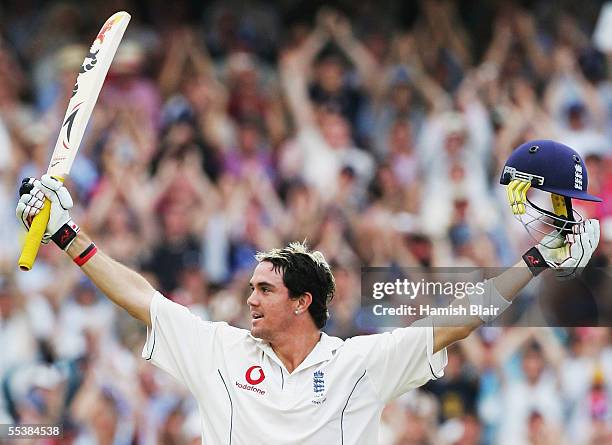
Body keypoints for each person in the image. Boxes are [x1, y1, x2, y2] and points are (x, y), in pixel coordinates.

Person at [15, 140, 600, 443]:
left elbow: (460, 317)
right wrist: (68, 234)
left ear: (302, 302)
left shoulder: (358, 363)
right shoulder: (219, 350)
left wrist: (537, 258)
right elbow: (141, 298)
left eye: (265, 290)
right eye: (250, 287)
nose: (250, 299)